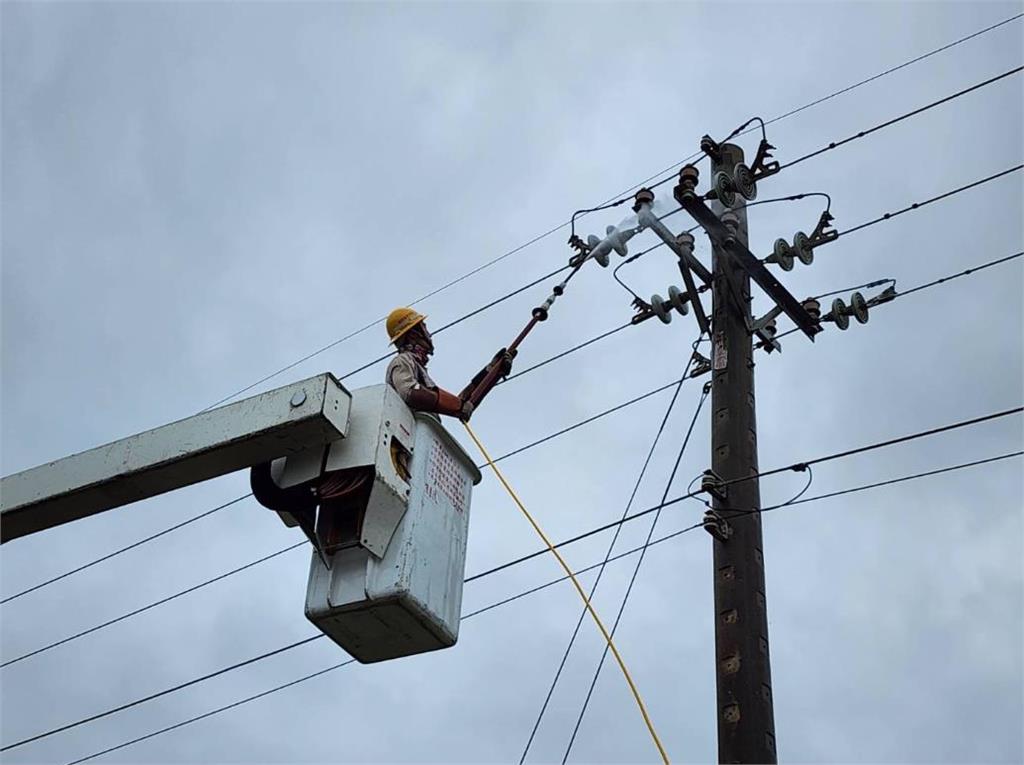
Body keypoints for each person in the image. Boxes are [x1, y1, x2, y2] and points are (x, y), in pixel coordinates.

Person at [385, 307, 513, 421]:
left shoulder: (418, 368)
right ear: (414, 334)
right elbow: (411, 393)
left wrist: (492, 372)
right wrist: (459, 407)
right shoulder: (403, 361)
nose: (429, 334)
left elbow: (463, 403)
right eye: (424, 327)